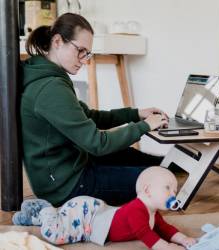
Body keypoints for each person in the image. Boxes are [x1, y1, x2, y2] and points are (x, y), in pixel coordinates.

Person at [21, 12, 169, 208]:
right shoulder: (50, 88)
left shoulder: (47, 75)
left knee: (139, 159)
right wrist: (144, 126)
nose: (84, 59)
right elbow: (97, 143)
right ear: (57, 41)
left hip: (70, 168)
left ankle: (169, 166)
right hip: (68, 187)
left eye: (87, 53)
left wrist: (135, 114)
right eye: (80, 50)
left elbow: (89, 116)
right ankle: (168, 172)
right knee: (159, 181)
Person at [13, 167, 196, 250]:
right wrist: (166, 247)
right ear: (147, 190)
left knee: (62, 221)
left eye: (175, 190)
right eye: (168, 188)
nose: (173, 193)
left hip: (96, 211)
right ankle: (45, 209)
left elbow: (164, 229)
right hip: (87, 218)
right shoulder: (136, 210)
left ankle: (33, 218)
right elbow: (146, 235)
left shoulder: (153, 213)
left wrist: (183, 239)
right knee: (55, 234)